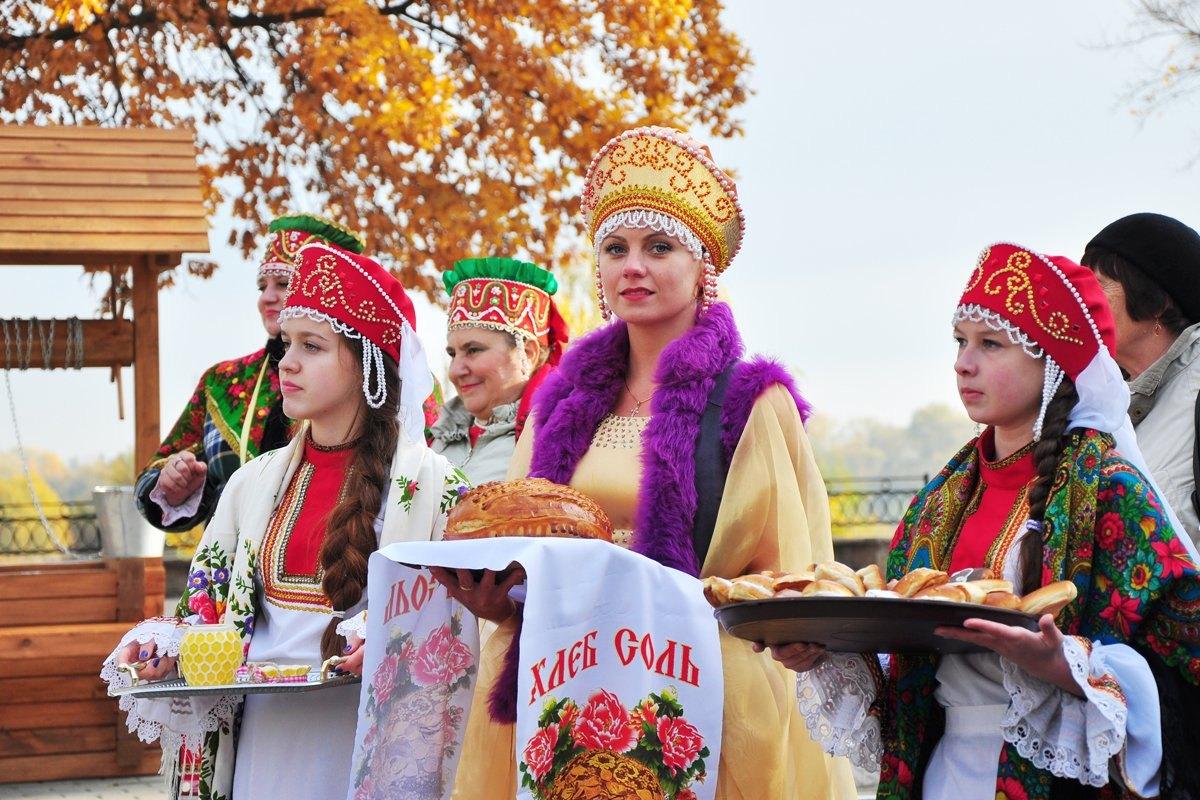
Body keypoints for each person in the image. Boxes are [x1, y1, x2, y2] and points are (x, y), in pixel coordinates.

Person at [443, 126, 856, 799]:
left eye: (659, 247)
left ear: (703, 266)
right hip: (565, 685)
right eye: (616, 249)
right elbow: (521, 541)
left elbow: (788, 576)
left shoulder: (752, 401)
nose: (633, 266)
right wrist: (500, 599)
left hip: (699, 698)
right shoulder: (558, 404)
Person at [771, 243, 1200, 800]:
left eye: (990, 343)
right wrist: (828, 649)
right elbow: (907, 662)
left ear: (1051, 361)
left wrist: (1064, 665)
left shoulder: (1111, 490)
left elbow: (1183, 655)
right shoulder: (939, 501)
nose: (963, 363)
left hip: (1056, 776)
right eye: (960, 341)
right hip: (941, 773)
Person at [101, 242, 470, 800]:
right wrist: (165, 650)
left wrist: (389, 641)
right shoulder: (251, 485)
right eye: (286, 343)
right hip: (264, 751)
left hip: (365, 746)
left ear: (369, 362)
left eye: (311, 346)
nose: (286, 362)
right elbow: (206, 612)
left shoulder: (438, 492)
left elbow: (466, 625)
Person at [134, 214, 366, 531]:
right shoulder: (222, 381)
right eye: (262, 286)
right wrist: (174, 486)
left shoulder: (379, 380)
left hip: (335, 554)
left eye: (283, 283)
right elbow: (156, 476)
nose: (266, 297)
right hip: (231, 559)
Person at [1083, 212, 1200, 547]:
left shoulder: (1195, 392)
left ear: (1156, 302)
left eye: (1099, 285)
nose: (1084, 301)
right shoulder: (1098, 405)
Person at [429, 256, 569, 484]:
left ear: (528, 353)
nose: (455, 371)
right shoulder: (438, 435)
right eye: (453, 354)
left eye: (473, 350)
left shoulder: (557, 441)